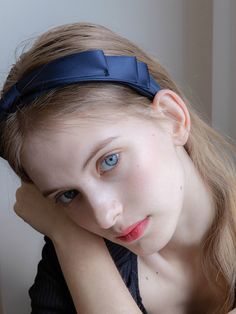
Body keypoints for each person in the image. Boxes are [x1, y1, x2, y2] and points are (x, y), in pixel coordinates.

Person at [0, 22, 235, 314]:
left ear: (172, 119)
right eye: (68, 195)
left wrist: (71, 239)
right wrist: (73, 241)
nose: (104, 216)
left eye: (109, 161)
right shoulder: (65, 266)